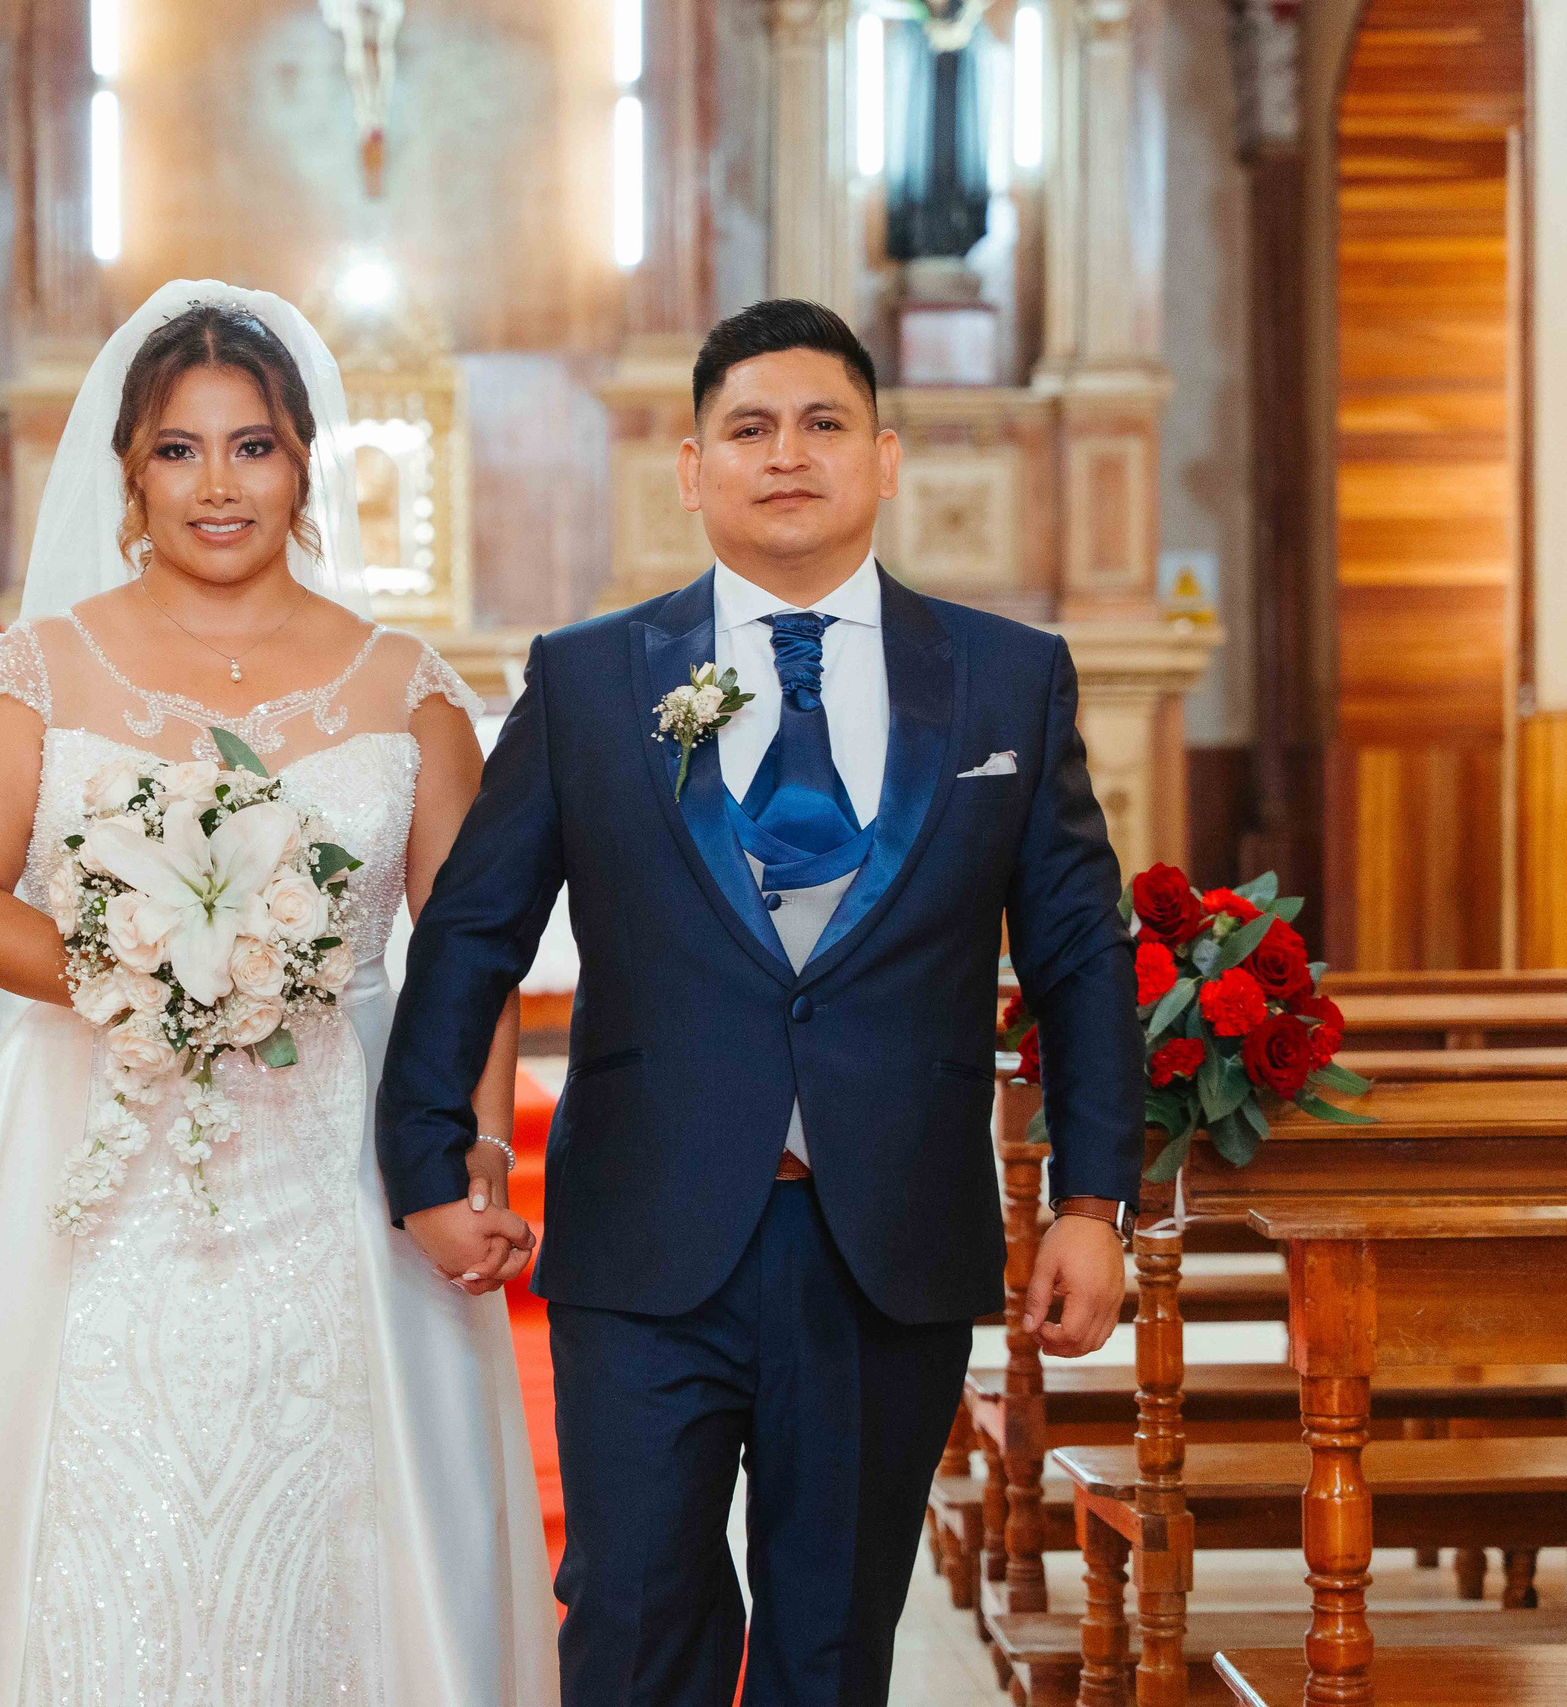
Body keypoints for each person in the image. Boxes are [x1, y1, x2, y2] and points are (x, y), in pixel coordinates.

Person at [378, 298, 1143, 1705]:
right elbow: (475, 928)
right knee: (631, 1615)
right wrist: (430, 1158)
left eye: (822, 423)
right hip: (646, 1242)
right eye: (748, 427)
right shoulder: (594, 677)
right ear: (692, 467)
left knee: (830, 1640)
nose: (785, 453)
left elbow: (1083, 953)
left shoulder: (1005, 678)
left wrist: (1093, 1199)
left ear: (885, 455)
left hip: (885, 1241)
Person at [0, 281, 558, 1704]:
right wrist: (126, 966)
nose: (218, 483)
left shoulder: (406, 689)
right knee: (104, 1477)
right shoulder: (39, 671)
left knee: (327, 1485)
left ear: (307, 462)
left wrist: (477, 1148)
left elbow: (471, 945)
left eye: (252, 446)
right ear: (129, 469)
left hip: (338, 1140)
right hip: (102, 1133)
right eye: (181, 450)